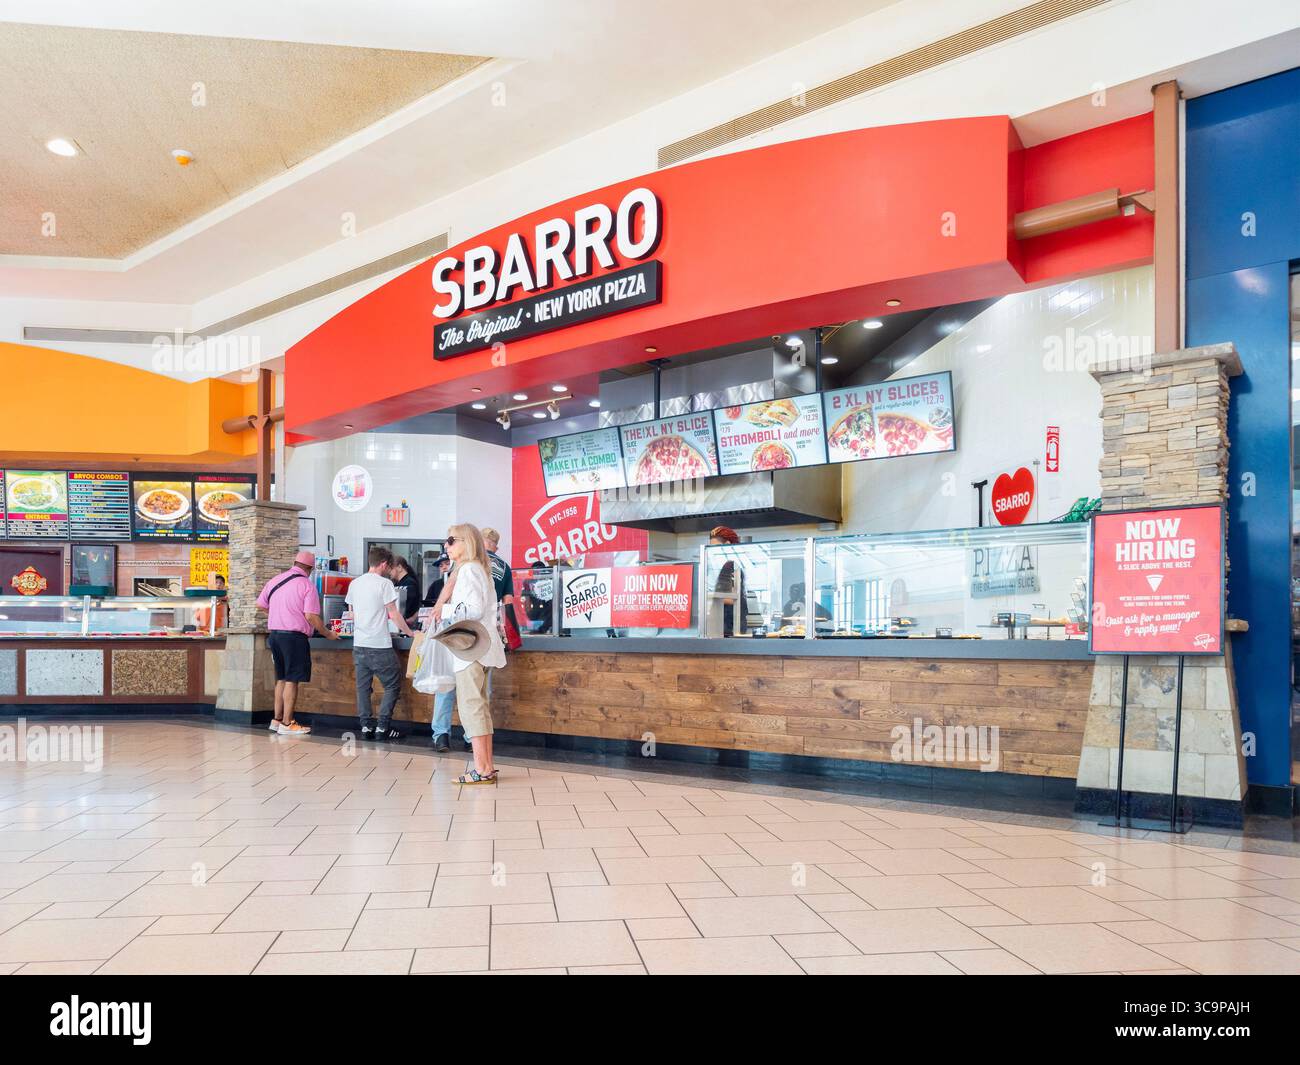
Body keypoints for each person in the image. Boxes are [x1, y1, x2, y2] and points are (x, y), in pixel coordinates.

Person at [443, 523, 506, 783]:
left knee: (471, 707)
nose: (446, 545)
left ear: (465, 542)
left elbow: (473, 609)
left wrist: (448, 613)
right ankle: (486, 766)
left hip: (470, 649)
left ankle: (481, 769)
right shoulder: (481, 569)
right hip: (483, 647)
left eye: (451, 540)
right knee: (480, 706)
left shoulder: (468, 569)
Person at [255, 549, 337, 736]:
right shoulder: (307, 585)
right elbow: (311, 616)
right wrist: (327, 633)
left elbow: (261, 604)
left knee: (282, 678)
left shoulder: (275, 580)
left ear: (295, 564)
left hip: (275, 636)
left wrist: (279, 615)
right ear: (310, 569)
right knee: (292, 680)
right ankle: (287, 723)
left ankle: (276, 720)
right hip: (293, 638)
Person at [346, 546, 415, 741]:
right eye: (389, 566)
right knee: (392, 685)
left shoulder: (355, 583)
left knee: (363, 688)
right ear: (383, 564)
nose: (389, 570)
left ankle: (366, 727)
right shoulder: (384, 584)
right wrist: (410, 633)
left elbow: (351, 613)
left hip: (359, 644)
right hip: (379, 645)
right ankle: (383, 728)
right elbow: (393, 613)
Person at [709, 525, 746, 636]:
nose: (712, 551)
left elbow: (732, 598)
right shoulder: (726, 565)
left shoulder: (732, 565)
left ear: (727, 544)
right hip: (726, 623)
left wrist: (709, 596)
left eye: (715, 547)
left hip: (731, 625)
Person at [389, 555, 422, 627]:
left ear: (399, 567)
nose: (389, 572)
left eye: (391, 568)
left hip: (407, 623)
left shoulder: (410, 583)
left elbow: (408, 606)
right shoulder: (397, 584)